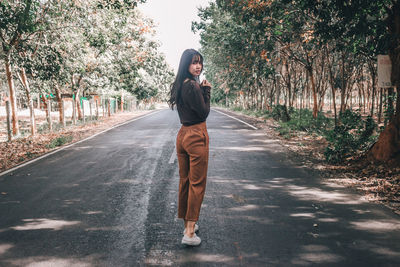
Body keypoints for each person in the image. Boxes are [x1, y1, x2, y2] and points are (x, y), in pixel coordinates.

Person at [168, 49, 211, 246]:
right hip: (195, 134)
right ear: (186, 64)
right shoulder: (193, 86)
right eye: (194, 62)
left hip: (183, 134)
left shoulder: (181, 84)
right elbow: (203, 113)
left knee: (185, 181)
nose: (198, 66)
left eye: (200, 62)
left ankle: (188, 223)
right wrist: (206, 91)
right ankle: (190, 233)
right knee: (197, 184)